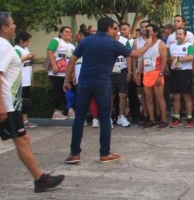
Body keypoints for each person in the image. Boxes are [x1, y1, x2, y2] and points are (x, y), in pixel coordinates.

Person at [0, 12, 65, 192]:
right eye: (13, 23)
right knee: (22, 139)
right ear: (4, 27)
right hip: (5, 106)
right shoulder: (2, 47)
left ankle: (40, 179)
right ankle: (40, 179)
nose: (15, 26)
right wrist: (0, 104)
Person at [63, 17, 153, 165]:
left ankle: (74, 154)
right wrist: (149, 43)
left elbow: (72, 60)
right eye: (115, 28)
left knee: (79, 118)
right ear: (109, 28)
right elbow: (136, 54)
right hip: (103, 83)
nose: (116, 31)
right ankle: (104, 153)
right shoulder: (113, 43)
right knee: (105, 118)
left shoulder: (86, 41)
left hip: (84, 82)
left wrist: (67, 80)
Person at [138, 24, 169, 129]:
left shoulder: (160, 44)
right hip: (147, 73)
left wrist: (161, 74)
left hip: (156, 73)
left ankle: (164, 119)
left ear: (155, 32)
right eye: (146, 30)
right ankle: (152, 119)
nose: (147, 32)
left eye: (149, 31)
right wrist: (139, 73)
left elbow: (164, 60)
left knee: (159, 97)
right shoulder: (145, 44)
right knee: (148, 98)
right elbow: (143, 59)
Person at [168, 27, 194, 128]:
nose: (178, 36)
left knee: (187, 97)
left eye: (180, 34)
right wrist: (172, 59)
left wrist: (178, 59)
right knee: (176, 97)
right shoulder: (171, 46)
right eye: (177, 34)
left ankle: (189, 118)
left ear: (185, 35)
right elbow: (168, 58)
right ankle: (177, 118)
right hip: (174, 72)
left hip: (185, 73)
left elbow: (191, 57)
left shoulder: (189, 46)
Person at [47, 26, 75, 120]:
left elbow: (72, 60)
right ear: (61, 33)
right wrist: (54, 65)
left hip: (67, 74)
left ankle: (69, 110)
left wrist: (72, 73)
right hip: (56, 73)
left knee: (68, 92)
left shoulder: (72, 46)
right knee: (58, 91)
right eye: (66, 32)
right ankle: (56, 111)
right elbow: (49, 52)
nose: (69, 34)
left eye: (70, 32)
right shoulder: (56, 41)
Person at [14, 32, 37, 128]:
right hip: (20, 80)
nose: (28, 43)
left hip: (27, 80)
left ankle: (25, 120)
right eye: (27, 41)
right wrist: (26, 57)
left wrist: (31, 58)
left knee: (26, 100)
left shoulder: (25, 49)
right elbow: (15, 61)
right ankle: (17, 121)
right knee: (18, 102)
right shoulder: (16, 49)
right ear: (21, 41)